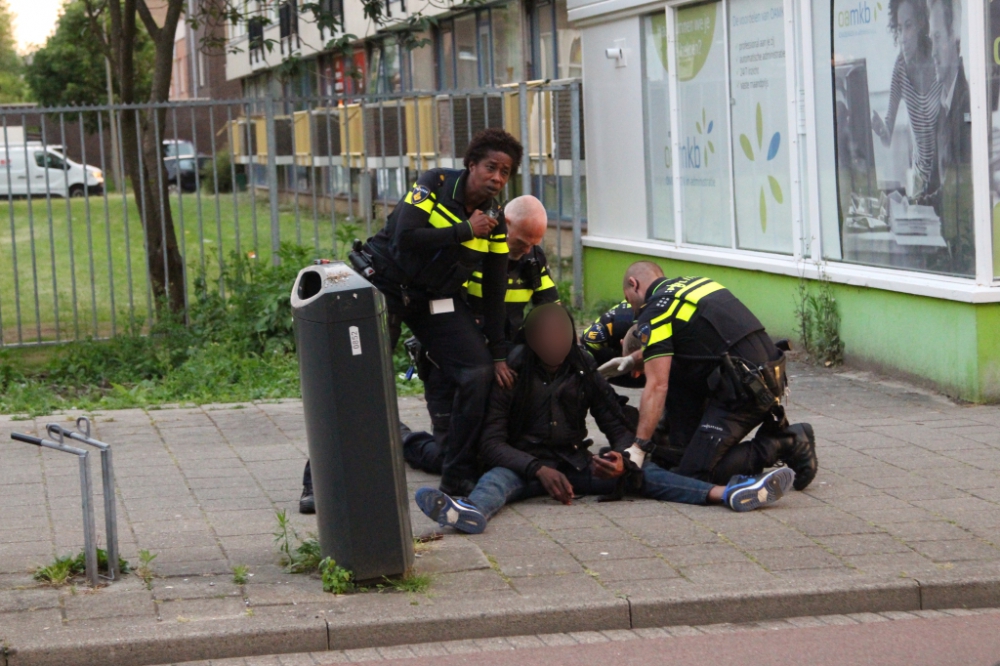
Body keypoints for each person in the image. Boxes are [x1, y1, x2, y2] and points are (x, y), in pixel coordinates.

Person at [413, 304, 796, 534]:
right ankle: (469, 513)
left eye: (564, 333)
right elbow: (491, 443)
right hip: (522, 465)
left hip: (574, 462)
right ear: (530, 339)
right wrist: (536, 469)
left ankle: (731, 494)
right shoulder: (512, 372)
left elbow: (614, 424)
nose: (557, 342)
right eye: (547, 336)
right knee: (493, 482)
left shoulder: (582, 366)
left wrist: (621, 458)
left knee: (646, 475)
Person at [299, 128, 523, 514]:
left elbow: (494, 291)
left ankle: (457, 477)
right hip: (385, 285)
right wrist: (463, 230)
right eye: (491, 167)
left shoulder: (495, 222)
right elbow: (405, 237)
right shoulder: (433, 184)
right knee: (359, 377)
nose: (497, 179)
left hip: (434, 299)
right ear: (471, 164)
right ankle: (317, 483)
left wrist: (499, 353)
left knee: (477, 372)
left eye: (506, 173)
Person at [614, 262, 818, 489]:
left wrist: (639, 447)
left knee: (696, 475)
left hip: (744, 391)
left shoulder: (654, 310)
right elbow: (686, 341)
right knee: (679, 378)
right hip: (767, 373)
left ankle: (784, 442)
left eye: (628, 298)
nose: (632, 309)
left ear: (633, 284)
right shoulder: (696, 285)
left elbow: (657, 385)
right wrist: (633, 359)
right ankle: (683, 443)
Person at [403, 195, 558, 475]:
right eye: (522, 242)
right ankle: (403, 440)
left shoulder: (532, 259)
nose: (526, 251)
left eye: (534, 245)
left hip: (500, 368)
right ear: (504, 224)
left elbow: (552, 309)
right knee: (449, 459)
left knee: (488, 455)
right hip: (450, 366)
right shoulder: (470, 251)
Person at [871, 0, 941, 197]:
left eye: (908, 26)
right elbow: (887, 137)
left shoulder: (937, 59)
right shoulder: (900, 68)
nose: (903, 38)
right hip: (920, 181)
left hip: (945, 173)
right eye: (899, 29)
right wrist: (880, 130)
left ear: (921, 24)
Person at [928, 0, 973, 275]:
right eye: (930, 41)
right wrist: (910, 202)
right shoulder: (941, 111)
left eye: (937, 38)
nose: (932, 52)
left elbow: (963, 184)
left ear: (955, 39)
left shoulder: (968, 103)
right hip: (950, 246)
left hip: (967, 254)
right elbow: (938, 182)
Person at [581, 300, 644, 388]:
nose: (634, 375)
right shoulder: (610, 325)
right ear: (621, 342)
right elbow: (579, 352)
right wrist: (590, 377)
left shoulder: (667, 334)